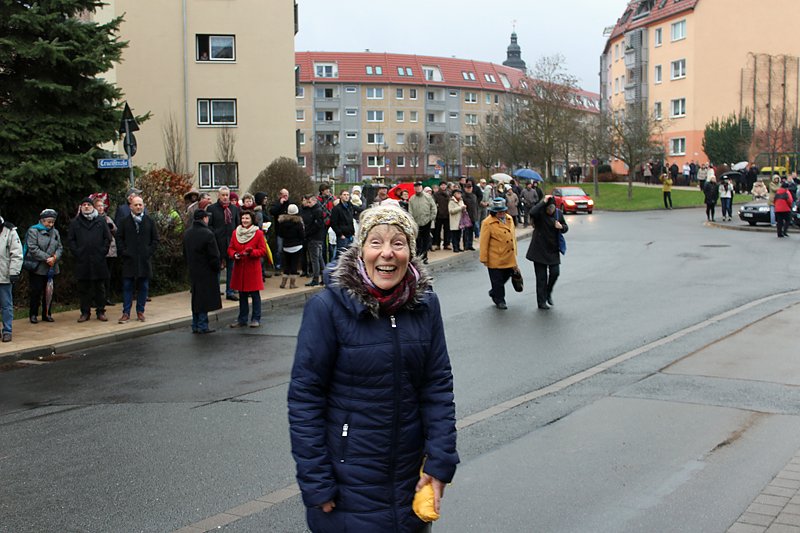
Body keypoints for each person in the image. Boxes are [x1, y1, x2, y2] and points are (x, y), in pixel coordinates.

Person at [288, 205, 459, 533]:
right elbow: (304, 400)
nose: (387, 254)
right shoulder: (327, 309)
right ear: (360, 248)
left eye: (398, 243)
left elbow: (437, 387)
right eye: (376, 242)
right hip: (346, 487)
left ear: (410, 250)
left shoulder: (425, 305)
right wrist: (316, 480)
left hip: (411, 483)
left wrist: (440, 461)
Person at [116, 196, 159, 323]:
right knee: (127, 286)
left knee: (144, 287)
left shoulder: (149, 221)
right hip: (129, 260)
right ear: (131, 206)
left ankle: (140, 311)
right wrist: (124, 252)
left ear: (143, 206)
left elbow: (155, 239)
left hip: (144, 261)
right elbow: (119, 238)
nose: (138, 207)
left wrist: (148, 252)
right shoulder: (124, 221)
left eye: (140, 204)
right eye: (136, 205)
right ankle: (126, 312)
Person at [68, 198, 112, 322]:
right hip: (82, 260)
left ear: (93, 207)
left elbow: (107, 238)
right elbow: (71, 240)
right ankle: (85, 312)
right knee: (84, 288)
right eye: (84, 205)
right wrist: (77, 252)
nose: (86, 207)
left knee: (100, 287)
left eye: (89, 205)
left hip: (98, 260)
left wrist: (102, 251)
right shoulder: (75, 223)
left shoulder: (100, 221)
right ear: (81, 207)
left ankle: (100, 311)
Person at [183, 209, 221, 334]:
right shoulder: (208, 234)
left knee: (196, 297)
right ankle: (203, 325)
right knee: (205, 298)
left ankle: (195, 324)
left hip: (194, 270)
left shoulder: (187, 233)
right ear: (204, 218)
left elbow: (184, 253)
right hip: (207, 270)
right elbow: (214, 255)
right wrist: (217, 268)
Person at [526, 197, 568, 310]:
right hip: (539, 250)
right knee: (541, 278)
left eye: (552, 208)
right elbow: (532, 212)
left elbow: (565, 227)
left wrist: (561, 227)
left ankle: (548, 292)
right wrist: (543, 202)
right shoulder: (540, 213)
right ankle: (541, 301)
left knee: (555, 273)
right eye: (548, 208)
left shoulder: (558, 214)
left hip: (552, 249)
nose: (551, 210)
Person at [228, 210, 267, 327]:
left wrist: (251, 253)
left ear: (252, 220)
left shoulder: (258, 233)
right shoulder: (236, 233)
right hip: (240, 268)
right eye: (243, 218)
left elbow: (262, 250)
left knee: (255, 295)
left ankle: (256, 318)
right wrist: (234, 254)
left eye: (247, 218)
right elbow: (230, 248)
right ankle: (242, 319)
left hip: (252, 268)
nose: (244, 220)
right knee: (242, 295)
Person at [479, 197, 519, 310]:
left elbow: (513, 237)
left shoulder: (509, 219)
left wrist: (515, 252)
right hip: (495, 257)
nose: (501, 213)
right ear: (494, 212)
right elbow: (483, 242)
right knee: (497, 280)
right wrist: (484, 258)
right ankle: (500, 300)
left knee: (507, 275)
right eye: (499, 212)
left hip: (509, 256)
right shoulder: (487, 223)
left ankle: (494, 292)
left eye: (503, 211)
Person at [26, 209, 63, 323]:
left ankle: (47, 313)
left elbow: (60, 247)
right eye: (48, 222)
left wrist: (55, 257)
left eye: (52, 222)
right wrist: (47, 258)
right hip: (38, 267)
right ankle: (33, 314)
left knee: (49, 292)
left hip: (51, 267)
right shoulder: (33, 231)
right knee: (36, 291)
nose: (50, 224)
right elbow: (33, 248)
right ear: (42, 221)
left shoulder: (55, 232)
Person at [208, 186, 241, 301]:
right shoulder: (211, 209)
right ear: (219, 196)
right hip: (217, 242)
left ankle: (230, 291)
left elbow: (238, 225)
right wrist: (215, 235)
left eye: (227, 195)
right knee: (217, 268)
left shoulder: (234, 209)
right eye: (223, 195)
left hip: (231, 243)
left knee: (231, 269)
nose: (225, 197)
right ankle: (215, 292)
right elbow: (209, 226)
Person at [0, 210, 22, 342]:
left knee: (6, 305)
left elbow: (17, 254)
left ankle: (7, 330)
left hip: (4, 275)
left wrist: (14, 272)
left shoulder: (10, 231)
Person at [94, 198, 117, 306]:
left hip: (110, 251)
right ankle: (97, 299)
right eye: (98, 206)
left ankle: (107, 297)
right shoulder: (93, 219)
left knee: (108, 276)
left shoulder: (107, 218)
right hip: (98, 251)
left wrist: (111, 228)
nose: (100, 208)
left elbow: (116, 231)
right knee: (97, 276)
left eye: (102, 206)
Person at [408, 181, 437, 265]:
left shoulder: (428, 197)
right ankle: (418, 256)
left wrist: (432, 217)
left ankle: (425, 257)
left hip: (427, 221)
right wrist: (412, 220)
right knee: (417, 240)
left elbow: (433, 207)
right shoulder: (412, 199)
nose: (418, 188)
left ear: (421, 187)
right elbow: (410, 210)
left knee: (426, 240)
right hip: (416, 222)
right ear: (414, 188)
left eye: (419, 186)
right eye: (416, 187)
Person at [300, 194, 326, 287]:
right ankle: (323, 278)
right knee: (319, 258)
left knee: (315, 259)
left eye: (310, 202)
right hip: (317, 237)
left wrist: (307, 233)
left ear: (315, 201)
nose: (308, 204)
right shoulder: (315, 210)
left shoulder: (316, 211)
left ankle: (316, 278)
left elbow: (317, 225)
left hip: (314, 238)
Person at [278, 204, 304, 289]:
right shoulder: (298, 223)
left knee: (286, 264)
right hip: (297, 246)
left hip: (286, 245)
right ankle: (292, 284)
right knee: (294, 264)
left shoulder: (282, 222)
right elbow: (302, 235)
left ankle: (283, 283)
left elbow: (280, 234)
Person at [330, 189, 358, 260]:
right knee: (340, 255)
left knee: (348, 255)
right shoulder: (337, 209)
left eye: (348, 195)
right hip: (342, 235)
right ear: (340, 196)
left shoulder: (350, 207)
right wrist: (340, 234)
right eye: (344, 195)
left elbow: (351, 220)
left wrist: (353, 232)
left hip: (350, 234)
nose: (346, 196)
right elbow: (333, 223)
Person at [432, 182, 450, 250]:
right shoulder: (436, 194)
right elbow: (434, 203)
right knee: (437, 230)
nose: (443, 186)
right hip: (438, 215)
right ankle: (437, 244)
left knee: (447, 230)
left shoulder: (449, 193)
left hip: (447, 214)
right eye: (442, 185)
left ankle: (447, 244)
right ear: (440, 186)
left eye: (444, 185)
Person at [461, 182, 478, 251]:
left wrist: (476, 215)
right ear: (465, 188)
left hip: (473, 215)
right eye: (467, 188)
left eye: (470, 187)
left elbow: (476, 206)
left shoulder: (474, 196)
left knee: (471, 231)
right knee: (466, 232)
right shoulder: (463, 196)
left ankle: (470, 244)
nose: (469, 189)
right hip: (466, 216)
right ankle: (465, 245)